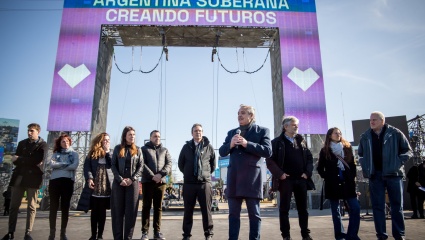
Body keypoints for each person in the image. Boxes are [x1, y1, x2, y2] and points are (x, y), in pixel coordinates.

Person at [219, 105, 272, 240]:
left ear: (251, 116)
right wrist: (230, 145)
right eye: (238, 113)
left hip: (252, 179)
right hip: (234, 179)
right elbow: (222, 151)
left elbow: (267, 151)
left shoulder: (262, 131)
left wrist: (247, 144)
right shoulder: (232, 133)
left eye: (243, 113)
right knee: (233, 215)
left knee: (254, 215)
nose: (239, 115)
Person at [358, 111, 412, 240]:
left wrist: (397, 162)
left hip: (393, 174)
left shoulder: (395, 133)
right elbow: (361, 155)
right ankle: (381, 235)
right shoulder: (365, 136)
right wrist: (366, 167)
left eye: (374, 119)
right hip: (375, 175)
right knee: (377, 207)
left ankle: (399, 235)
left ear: (382, 121)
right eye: (370, 120)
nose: (371, 122)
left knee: (397, 206)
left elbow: (408, 151)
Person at [265, 116, 314, 240]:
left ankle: (305, 234)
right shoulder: (276, 142)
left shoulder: (302, 141)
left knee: (303, 209)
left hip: (301, 179)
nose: (296, 127)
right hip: (285, 180)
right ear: (285, 127)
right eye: (294, 125)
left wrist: (307, 173)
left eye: (297, 125)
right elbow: (270, 161)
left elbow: (309, 158)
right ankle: (286, 236)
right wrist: (280, 174)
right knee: (284, 209)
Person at [1, 123, 48, 240]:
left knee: (31, 207)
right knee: (13, 206)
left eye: (32, 131)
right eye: (28, 131)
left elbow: (37, 159)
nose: (29, 133)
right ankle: (10, 232)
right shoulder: (22, 143)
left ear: (38, 132)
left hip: (33, 179)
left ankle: (28, 233)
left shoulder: (42, 145)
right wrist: (25, 160)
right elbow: (14, 160)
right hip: (19, 178)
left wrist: (21, 159)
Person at [317, 127, 360, 240]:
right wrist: (327, 177)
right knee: (336, 212)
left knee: (355, 208)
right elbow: (320, 168)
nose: (338, 134)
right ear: (330, 135)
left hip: (347, 183)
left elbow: (353, 165)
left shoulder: (347, 148)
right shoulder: (325, 150)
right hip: (333, 184)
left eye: (340, 133)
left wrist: (351, 176)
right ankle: (340, 235)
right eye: (336, 133)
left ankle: (352, 235)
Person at [178, 123, 215, 240]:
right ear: (192, 133)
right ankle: (186, 235)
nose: (197, 133)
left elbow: (213, 165)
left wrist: (205, 174)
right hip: (189, 184)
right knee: (188, 211)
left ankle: (208, 234)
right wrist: (188, 174)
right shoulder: (186, 147)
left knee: (206, 211)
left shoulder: (209, 147)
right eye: (195, 131)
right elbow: (180, 164)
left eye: (199, 131)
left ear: (202, 133)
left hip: (204, 184)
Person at [77, 132, 114, 240]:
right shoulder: (92, 153)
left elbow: (112, 165)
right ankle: (93, 235)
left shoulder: (111, 153)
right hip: (94, 184)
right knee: (94, 212)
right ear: (100, 141)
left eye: (108, 140)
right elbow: (87, 167)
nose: (106, 141)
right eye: (104, 140)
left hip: (106, 185)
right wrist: (89, 178)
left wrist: (107, 152)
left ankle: (100, 235)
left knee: (102, 212)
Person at [110, 126, 143, 240]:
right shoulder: (117, 148)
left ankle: (128, 238)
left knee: (131, 214)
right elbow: (113, 165)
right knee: (117, 213)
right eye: (130, 134)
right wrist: (120, 179)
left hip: (132, 185)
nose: (132, 136)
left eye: (133, 134)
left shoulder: (138, 150)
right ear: (125, 136)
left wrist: (132, 179)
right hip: (119, 184)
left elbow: (141, 166)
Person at [141, 130, 172, 240]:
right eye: (155, 136)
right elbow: (141, 164)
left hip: (161, 183)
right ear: (150, 138)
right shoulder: (144, 149)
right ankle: (144, 232)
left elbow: (169, 164)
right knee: (146, 207)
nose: (157, 138)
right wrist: (152, 176)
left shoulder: (165, 150)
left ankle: (157, 232)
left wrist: (160, 174)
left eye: (159, 136)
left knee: (158, 207)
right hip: (148, 182)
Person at [48, 134, 80, 240]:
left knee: (65, 207)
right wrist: (66, 165)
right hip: (54, 181)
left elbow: (74, 165)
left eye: (67, 141)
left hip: (67, 182)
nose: (65, 143)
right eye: (63, 141)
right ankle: (52, 233)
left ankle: (63, 233)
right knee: (53, 207)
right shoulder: (55, 153)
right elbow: (51, 164)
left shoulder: (74, 154)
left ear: (70, 142)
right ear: (60, 143)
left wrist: (60, 165)